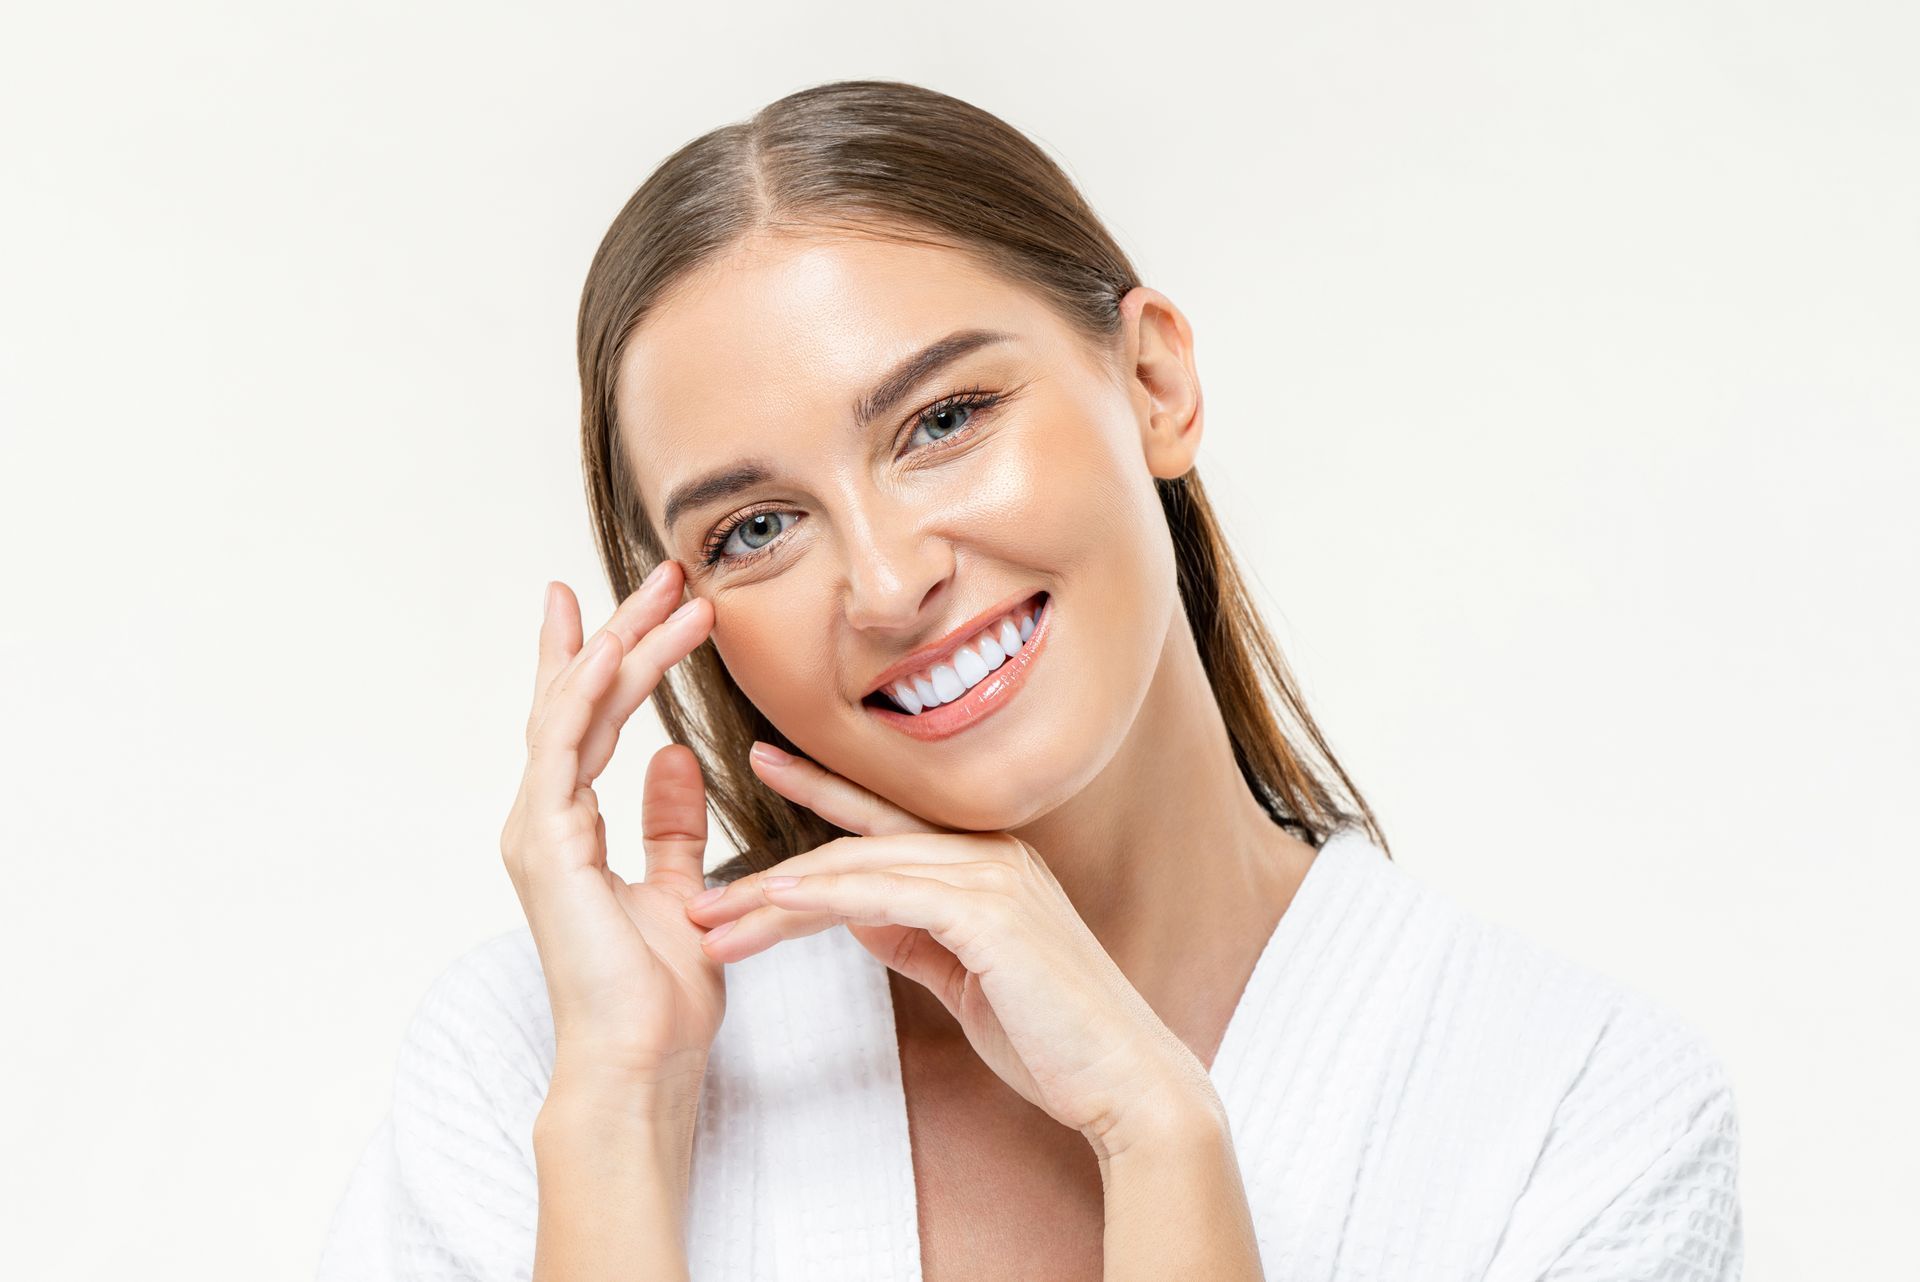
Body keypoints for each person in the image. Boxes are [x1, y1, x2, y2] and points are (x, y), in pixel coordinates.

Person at [317, 79, 1743, 1281]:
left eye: (944, 418)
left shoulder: (1576, 1111)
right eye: (756, 527)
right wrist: (624, 1125)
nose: (884, 582)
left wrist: (1160, 1137)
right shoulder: (540, 1068)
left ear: (1155, 382)